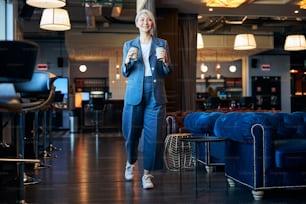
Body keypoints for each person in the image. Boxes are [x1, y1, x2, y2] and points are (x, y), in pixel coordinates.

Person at [121, 9, 173, 190]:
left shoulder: (162, 44)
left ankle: (147, 174)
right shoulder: (129, 45)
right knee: (130, 133)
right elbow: (125, 72)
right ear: (137, 23)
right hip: (135, 92)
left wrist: (165, 61)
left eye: (149, 19)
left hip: (156, 92)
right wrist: (127, 60)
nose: (145, 22)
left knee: (154, 136)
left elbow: (168, 71)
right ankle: (130, 161)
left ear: (152, 24)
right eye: (142, 19)